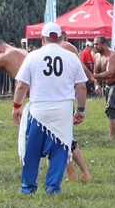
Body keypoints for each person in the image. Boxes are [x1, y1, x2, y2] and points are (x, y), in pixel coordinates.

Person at [0, 37, 91, 182]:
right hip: (59, 97)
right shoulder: (21, 51)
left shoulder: (5, 56)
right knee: (66, 138)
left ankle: (72, 175)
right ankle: (83, 173)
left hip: (44, 102)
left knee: (55, 139)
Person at [12, 22, 88, 195]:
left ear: (42, 39)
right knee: (60, 150)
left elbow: (22, 85)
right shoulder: (71, 57)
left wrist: (16, 106)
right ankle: (52, 187)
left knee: (32, 150)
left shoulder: (32, 56)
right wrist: (81, 109)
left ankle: (28, 186)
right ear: (61, 38)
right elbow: (81, 87)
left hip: (39, 110)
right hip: (63, 110)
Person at [91, 35, 115, 138]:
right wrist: (97, 85)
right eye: (94, 44)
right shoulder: (97, 56)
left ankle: (111, 136)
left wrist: (92, 76)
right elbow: (96, 73)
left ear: (104, 44)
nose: (95, 46)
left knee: (111, 107)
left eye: (97, 44)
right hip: (109, 84)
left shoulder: (113, 56)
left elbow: (110, 73)